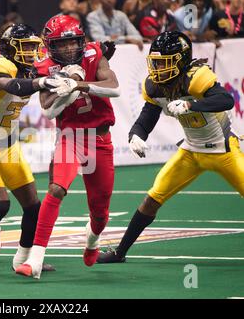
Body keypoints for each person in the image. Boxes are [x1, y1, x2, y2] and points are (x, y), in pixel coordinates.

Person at [97, 31, 244, 264]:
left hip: (222, 149)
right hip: (191, 151)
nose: (157, 68)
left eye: (164, 63)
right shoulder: (155, 86)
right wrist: (136, 135)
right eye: (155, 62)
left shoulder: (196, 77)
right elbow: (148, 116)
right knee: (152, 199)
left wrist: (190, 104)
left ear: (181, 61)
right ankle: (120, 252)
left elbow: (225, 100)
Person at [15, 15, 120, 279]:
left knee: (100, 213)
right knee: (56, 188)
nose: (69, 49)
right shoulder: (45, 66)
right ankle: (35, 259)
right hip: (70, 137)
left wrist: (78, 84)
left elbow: (114, 87)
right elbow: (48, 111)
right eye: (62, 44)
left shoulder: (94, 53)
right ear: (51, 46)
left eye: (73, 42)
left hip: (100, 139)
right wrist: (66, 90)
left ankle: (92, 240)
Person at [0, 23, 65, 275]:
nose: (32, 52)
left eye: (34, 47)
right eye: (26, 47)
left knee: (33, 206)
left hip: (7, 144)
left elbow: (59, 63)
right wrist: (42, 81)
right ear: (10, 47)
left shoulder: (31, 68)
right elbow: (12, 85)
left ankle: (23, 258)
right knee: (0, 204)